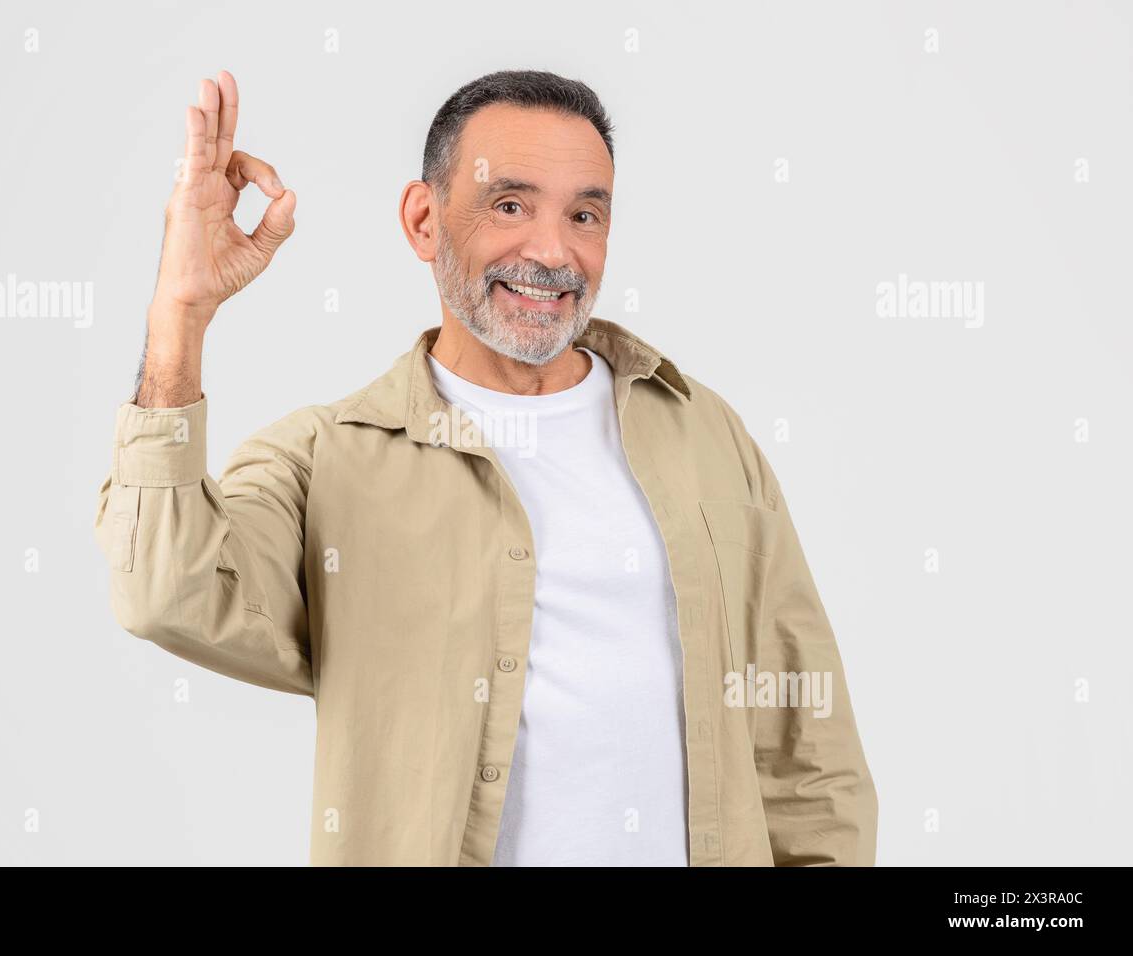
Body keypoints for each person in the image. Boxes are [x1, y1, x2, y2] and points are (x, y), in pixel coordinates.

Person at [95, 68, 878, 867]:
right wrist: (178, 315)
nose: (552, 250)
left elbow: (807, 754)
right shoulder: (325, 460)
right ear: (424, 220)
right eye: (510, 205)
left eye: (585, 214)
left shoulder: (704, 432)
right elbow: (163, 592)